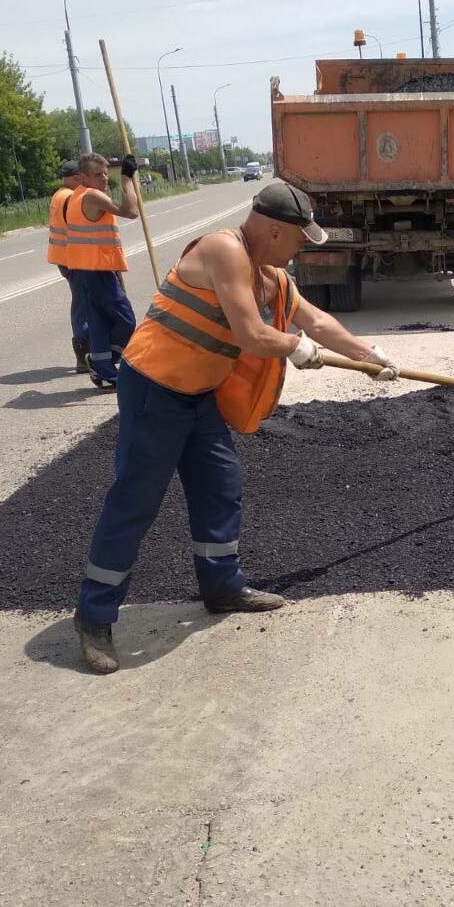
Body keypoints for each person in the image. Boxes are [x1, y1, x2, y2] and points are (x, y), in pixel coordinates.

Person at [73, 181, 401, 675]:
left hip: (199, 393)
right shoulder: (224, 250)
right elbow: (251, 333)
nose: (301, 250)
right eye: (298, 239)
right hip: (154, 389)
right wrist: (294, 347)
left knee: (220, 486)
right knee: (136, 499)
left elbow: (314, 319)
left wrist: (368, 354)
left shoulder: (271, 274)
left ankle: (222, 587)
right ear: (273, 230)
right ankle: (94, 616)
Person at [62, 152, 139, 388]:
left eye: (106, 173)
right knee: (126, 321)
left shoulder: (77, 195)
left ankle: (104, 369)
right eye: (98, 175)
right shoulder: (93, 196)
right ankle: (102, 363)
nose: (104, 178)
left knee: (99, 324)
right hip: (97, 271)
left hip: (85, 269)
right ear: (82, 177)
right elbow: (131, 211)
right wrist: (127, 179)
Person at [47, 160, 89, 372]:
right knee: (83, 304)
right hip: (73, 259)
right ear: (75, 178)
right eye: (83, 178)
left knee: (81, 301)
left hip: (63, 258)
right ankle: (84, 353)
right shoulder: (71, 197)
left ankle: (86, 352)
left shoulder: (59, 194)